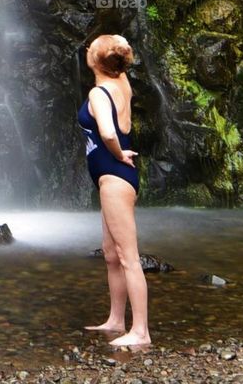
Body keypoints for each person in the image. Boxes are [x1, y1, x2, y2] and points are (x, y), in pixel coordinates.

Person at [77, 33, 151, 349]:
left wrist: (119, 153)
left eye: (91, 48)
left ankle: (141, 331)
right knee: (111, 254)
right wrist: (118, 49)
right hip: (111, 177)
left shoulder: (98, 93)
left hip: (114, 175)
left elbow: (108, 132)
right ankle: (116, 320)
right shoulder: (122, 82)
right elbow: (121, 52)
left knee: (128, 257)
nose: (87, 49)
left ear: (95, 60)